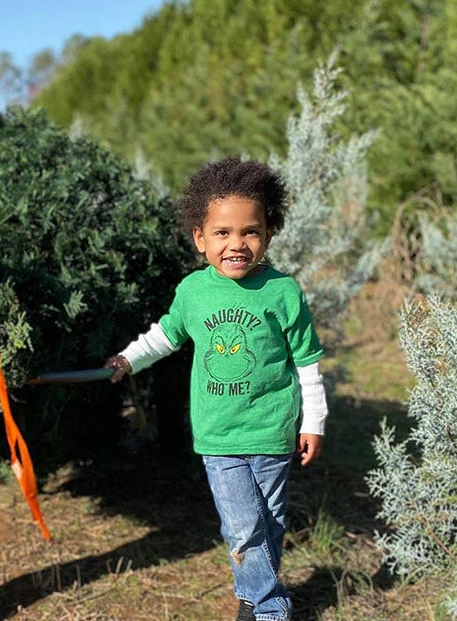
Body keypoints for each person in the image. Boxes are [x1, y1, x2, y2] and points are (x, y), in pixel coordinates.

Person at [105, 157, 328, 621]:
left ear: (268, 234)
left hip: (273, 430)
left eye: (250, 231)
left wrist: (314, 421)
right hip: (219, 435)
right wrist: (128, 359)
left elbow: (307, 361)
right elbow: (165, 335)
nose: (237, 244)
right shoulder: (193, 292)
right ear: (200, 238)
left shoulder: (283, 291)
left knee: (268, 524)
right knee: (243, 526)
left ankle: (251, 600)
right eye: (223, 233)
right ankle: (270, 608)